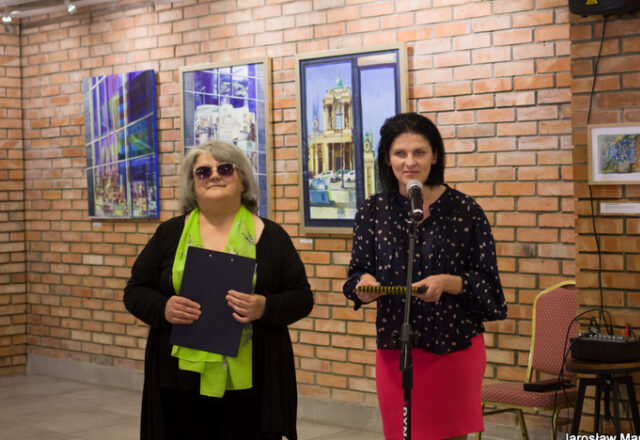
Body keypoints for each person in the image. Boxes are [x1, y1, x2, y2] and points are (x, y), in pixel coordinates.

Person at [124, 140, 313, 440]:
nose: (214, 175)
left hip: (253, 380)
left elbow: (302, 297)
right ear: (192, 185)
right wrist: (164, 308)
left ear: (243, 181)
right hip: (179, 380)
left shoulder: (272, 236)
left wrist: (264, 307)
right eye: (203, 172)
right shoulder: (169, 234)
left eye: (225, 169)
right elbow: (135, 290)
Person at [343, 113, 507, 440]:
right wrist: (363, 285)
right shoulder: (372, 211)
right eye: (400, 153)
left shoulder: (465, 210)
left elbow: (488, 285)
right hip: (397, 347)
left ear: (435, 156)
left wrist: (447, 282)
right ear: (387, 159)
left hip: (454, 347)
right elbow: (355, 273)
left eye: (419, 152)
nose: (410, 162)